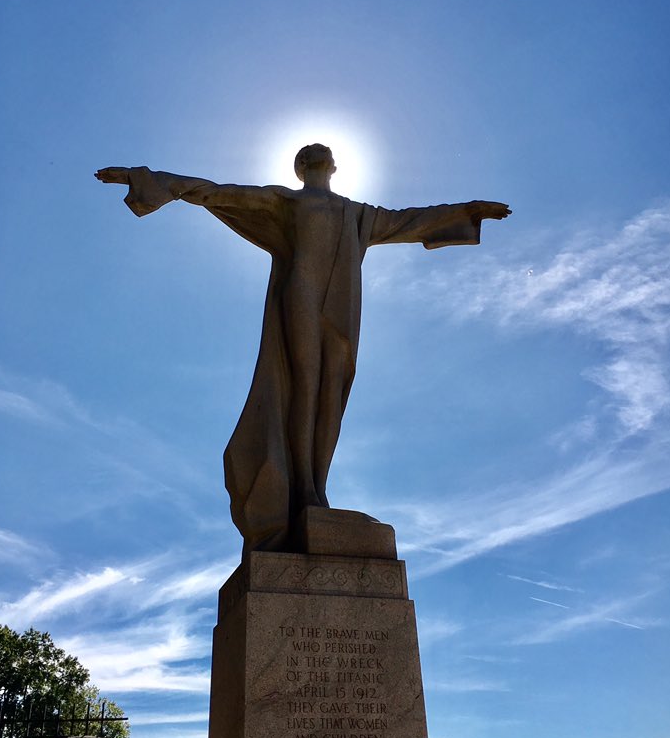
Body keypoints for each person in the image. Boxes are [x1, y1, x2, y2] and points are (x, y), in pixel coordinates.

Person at [96, 144, 510, 553]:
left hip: (342, 309)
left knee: (333, 393)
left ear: (333, 166)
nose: (318, 158)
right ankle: (304, 491)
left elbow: (412, 221)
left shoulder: (358, 214)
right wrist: (142, 178)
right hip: (303, 298)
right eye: (311, 154)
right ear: (302, 167)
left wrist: (469, 211)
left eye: (322, 153)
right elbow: (212, 191)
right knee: (304, 386)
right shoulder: (283, 201)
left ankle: (318, 487)